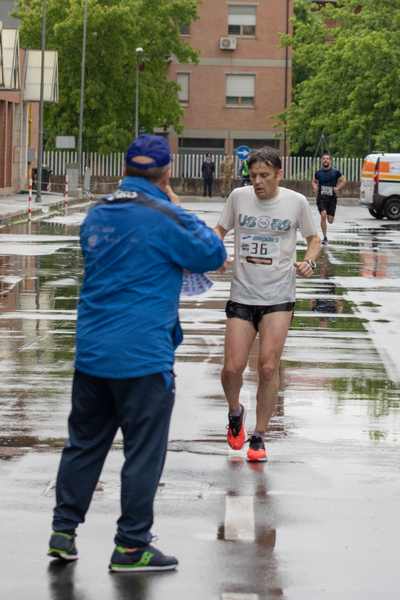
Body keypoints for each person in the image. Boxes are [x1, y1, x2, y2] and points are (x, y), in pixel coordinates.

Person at [47, 135, 226, 572]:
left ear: (126, 168)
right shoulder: (164, 216)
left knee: (84, 444)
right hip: (143, 356)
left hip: (92, 352)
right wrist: (175, 204)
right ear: (166, 172)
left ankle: (63, 531)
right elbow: (212, 253)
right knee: (143, 451)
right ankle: (131, 546)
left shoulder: (97, 215)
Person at [214, 149, 320, 462]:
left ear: (278, 174)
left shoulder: (295, 202)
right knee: (232, 368)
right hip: (242, 294)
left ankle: (259, 436)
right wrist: (215, 248)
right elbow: (219, 229)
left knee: (269, 366)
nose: (257, 182)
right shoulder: (238, 197)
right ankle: (235, 412)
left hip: (279, 296)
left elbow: (314, 238)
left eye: (264, 176)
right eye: (253, 175)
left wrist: (309, 261)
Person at [312, 153, 346, 244]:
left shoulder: (336, 172)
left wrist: (338, 188)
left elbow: (344, 180)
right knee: (323, 215)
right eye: (324, 159)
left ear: (330, 161)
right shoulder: (318, 173)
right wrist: (315, 187)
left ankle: (329, 218)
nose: (326, 160)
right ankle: (325, 237)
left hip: (332, 198)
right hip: (321, 198)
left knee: (330, 220)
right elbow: (314, 181)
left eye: (327, 159)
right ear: (321, 161)